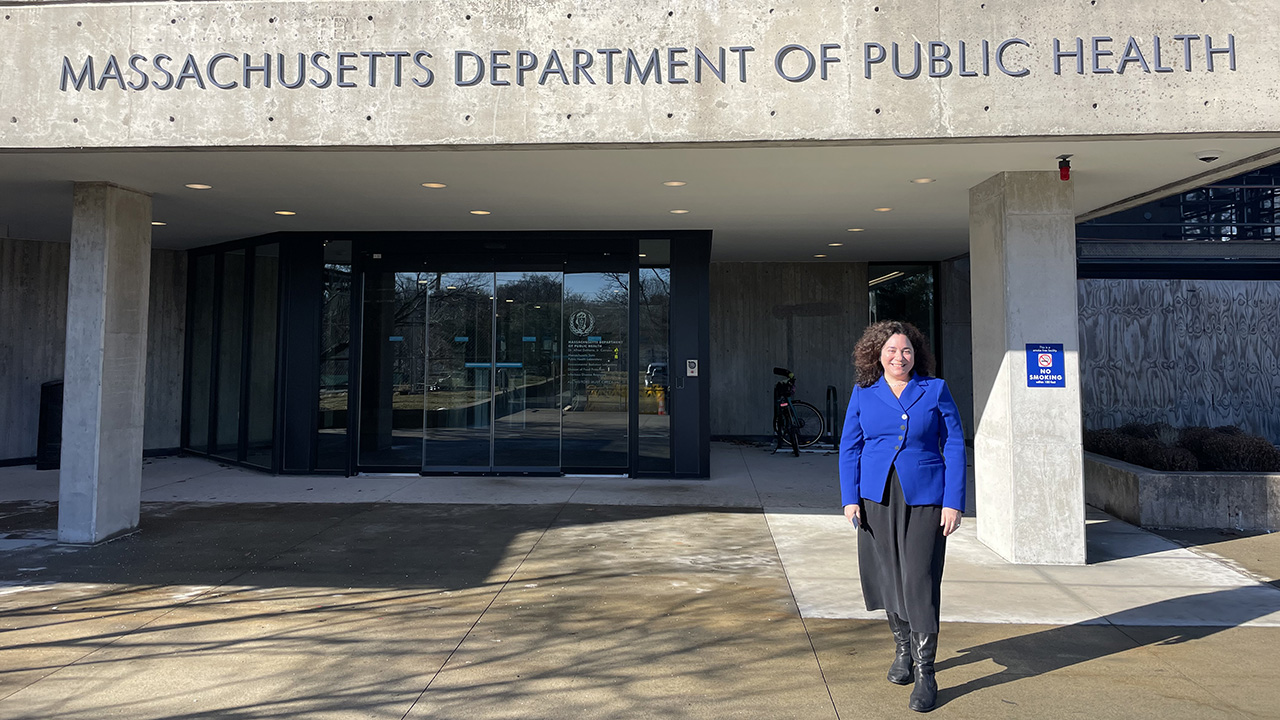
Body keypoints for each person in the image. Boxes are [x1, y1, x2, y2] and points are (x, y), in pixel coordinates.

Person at [839, 320, 965, 713]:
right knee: (887, 574)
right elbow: (849, 447)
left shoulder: (935, 389)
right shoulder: (863, 393)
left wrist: (954, 501)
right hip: (876, 498)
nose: (899, 357)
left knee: (919, 577)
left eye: (906, 350)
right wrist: (849, 499)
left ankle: (927, 672)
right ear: (877, 355)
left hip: (926, 496)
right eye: (891, 350)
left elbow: (956, 443)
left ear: (916, 355)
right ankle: (902, 652)